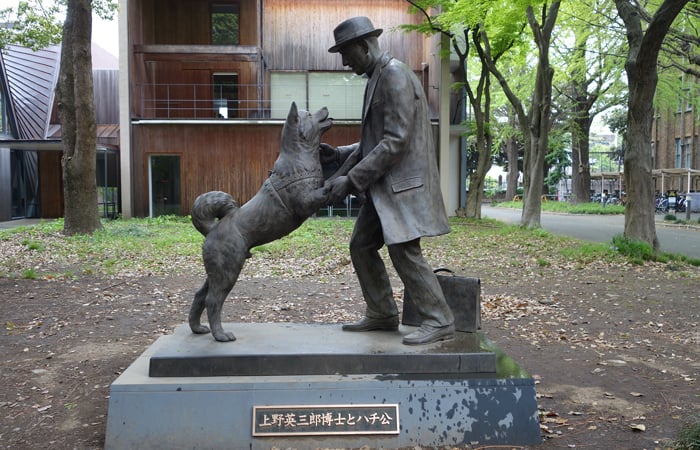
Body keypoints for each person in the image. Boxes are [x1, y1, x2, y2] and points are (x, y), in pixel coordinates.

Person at [321, 16, 454, 345]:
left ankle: (439, 319)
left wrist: (350, 181)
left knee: (404, 251)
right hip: (384, 188)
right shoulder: (377, 77)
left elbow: (394, 142)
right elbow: (374, 141)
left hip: (401, 188)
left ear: (364, 47)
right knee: (361, 246)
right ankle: (382, 313)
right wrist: (339, 155)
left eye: (347, 53)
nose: (345, 61)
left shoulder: (393, 75)